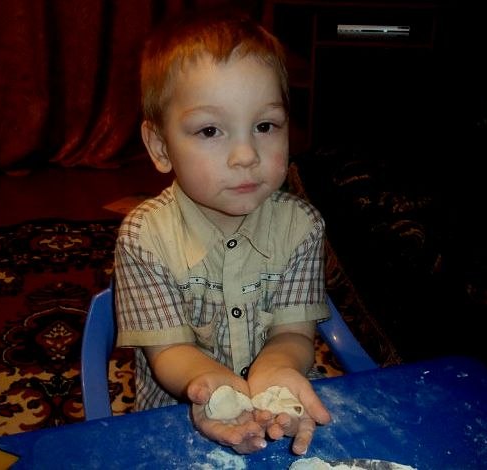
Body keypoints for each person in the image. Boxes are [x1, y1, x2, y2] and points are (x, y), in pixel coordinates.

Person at [114, 8, 331, 455]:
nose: (246, 155)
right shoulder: (143, 237)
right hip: (175, 424)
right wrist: (214, 388)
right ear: (160, 146)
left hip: (279, 410)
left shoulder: (303, 227)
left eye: (265, 126)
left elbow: (293, 334)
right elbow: (169, 350)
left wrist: (274, 372)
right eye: (211, 130)